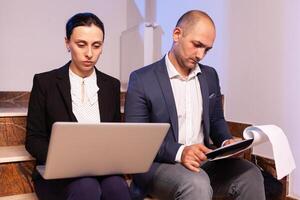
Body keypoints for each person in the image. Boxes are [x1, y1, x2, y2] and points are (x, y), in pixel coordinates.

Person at [125, 10, 266, 200]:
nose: (200, 55)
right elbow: (136, 140)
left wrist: (227, 142)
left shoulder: (210, 75)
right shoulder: (141, 79)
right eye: (197, 45)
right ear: (177, 35)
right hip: (159, 165)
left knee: (251, 174)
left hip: (203, 162)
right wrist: (181, 151)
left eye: (207, 49)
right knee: (196, 184)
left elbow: (216, 120)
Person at [25, 12, 131, 200]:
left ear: (102, 47)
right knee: (86, 187)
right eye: (81, 44)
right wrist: (65, 160)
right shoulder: (45, 82)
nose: (89, 53)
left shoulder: (111, 85)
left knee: (118, 187)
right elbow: (34, 139)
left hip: (102, 169)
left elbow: (114, 135)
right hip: (59, 173)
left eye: (96, 46)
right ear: (67, 43)